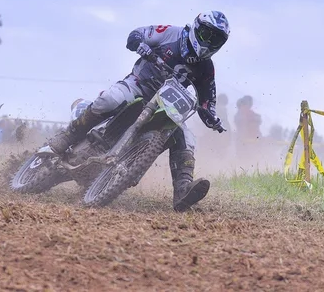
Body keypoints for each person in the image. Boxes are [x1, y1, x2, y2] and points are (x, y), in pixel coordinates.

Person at [45, 11, 230, 212]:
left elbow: (207, 101)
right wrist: (139, 44)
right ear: (196, 28)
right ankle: (67, 136)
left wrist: (211, 117)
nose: (209, 42)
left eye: (216, 40)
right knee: (108, 99)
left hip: (166, 104)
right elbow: (137, 34)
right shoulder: (171, 34)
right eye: (206, 35)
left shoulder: (206, 68)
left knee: (188, 137)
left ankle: (183, 190)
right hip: (138, 85)